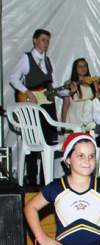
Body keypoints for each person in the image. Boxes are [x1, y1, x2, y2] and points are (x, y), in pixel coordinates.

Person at [9, 28, 70, 181]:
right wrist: (28, 92)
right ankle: (31, 178)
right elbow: (13, 78)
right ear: (34, 40)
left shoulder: (49, 61)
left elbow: (53, 85)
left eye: (48, 41)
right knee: (33, 141)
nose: (46, 43)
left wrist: (67, 91)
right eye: (43, 40)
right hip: (32, 106)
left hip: (48, 106)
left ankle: (45, 179)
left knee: (48, 141)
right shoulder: (26, 58)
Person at [61, 58, 96, 127]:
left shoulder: (93, 83)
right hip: (73, 118)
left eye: (85, 66)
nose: (83, 68)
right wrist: (63, 124)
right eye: (80, 66)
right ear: (75, 69)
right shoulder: (69, 84)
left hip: (88, 118)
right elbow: (66, 104)